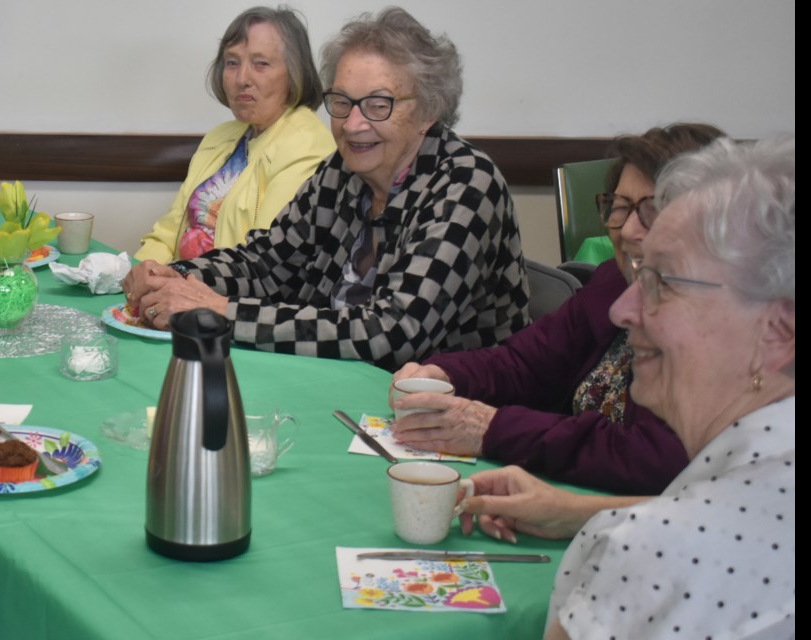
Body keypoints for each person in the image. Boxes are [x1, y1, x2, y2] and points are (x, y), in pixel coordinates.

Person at [462, 136, 795, 639]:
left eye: (663, 283)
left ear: (778, 332)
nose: (623, 309)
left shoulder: (657, 554)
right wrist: (572, 510)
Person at [124, 8, 529, 371]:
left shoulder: (466, 184)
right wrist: (172, 277)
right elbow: (265, 265)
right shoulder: (344, 169)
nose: (352, 124)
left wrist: (224, 312)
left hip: (447, 415)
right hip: (336, 385)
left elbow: (391, 334)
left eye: (378, 104)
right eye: (342, 102)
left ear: (428, 110)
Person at [390, 124, 724, 494]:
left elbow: (650, 456)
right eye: (621, 206)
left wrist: (492, 429)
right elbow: (526, 363)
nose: (628, 230)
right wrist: (443, 373)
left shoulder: (718, 322)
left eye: (652, 210)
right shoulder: (613, 281)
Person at [135, 7, 336, 263]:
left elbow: (266, 260)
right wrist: (142, 272)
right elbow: (166, 234)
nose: (242, 78)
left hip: (230, 296)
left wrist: (173, 283)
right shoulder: (219, 137)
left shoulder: (307, 144)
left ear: (294, 73)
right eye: (232, 63)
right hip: (177, 288)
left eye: (261, 63)